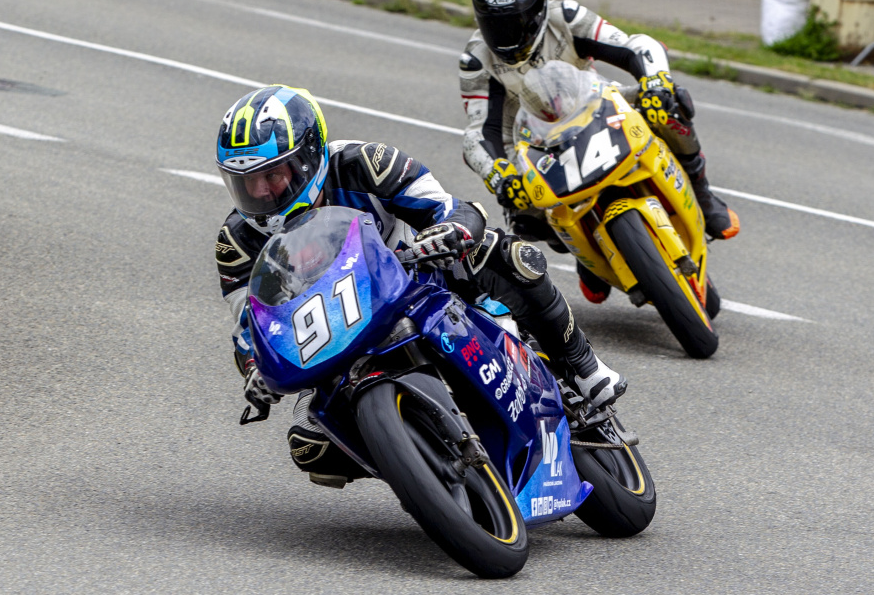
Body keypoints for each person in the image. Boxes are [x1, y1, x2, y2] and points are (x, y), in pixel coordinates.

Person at [215, 85, 627, 486]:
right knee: (311, 447)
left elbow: (451, 208)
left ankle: (584, 367)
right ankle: (424, 465)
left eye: (272, 174)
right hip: (335, 338)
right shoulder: (236, 243)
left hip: (418, 280)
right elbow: (252, 329)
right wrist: (254, 370)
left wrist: (450, 231)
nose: (261, 192)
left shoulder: (367, 163)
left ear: (307, 158)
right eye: (246, 182)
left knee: (505, 254)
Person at [458, 0, 739, 305]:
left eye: (515, 22)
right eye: (495, 25)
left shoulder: (567, 17)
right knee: (525, 218)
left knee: (670, 104)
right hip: (530, 143)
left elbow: (635, 46)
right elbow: (479, 133)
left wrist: (656, 81)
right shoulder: (476, 59)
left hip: (595, 104)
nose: (506, 35)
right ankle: (585, 252)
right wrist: (500, 176)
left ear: (539, 10)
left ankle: (704, 196)